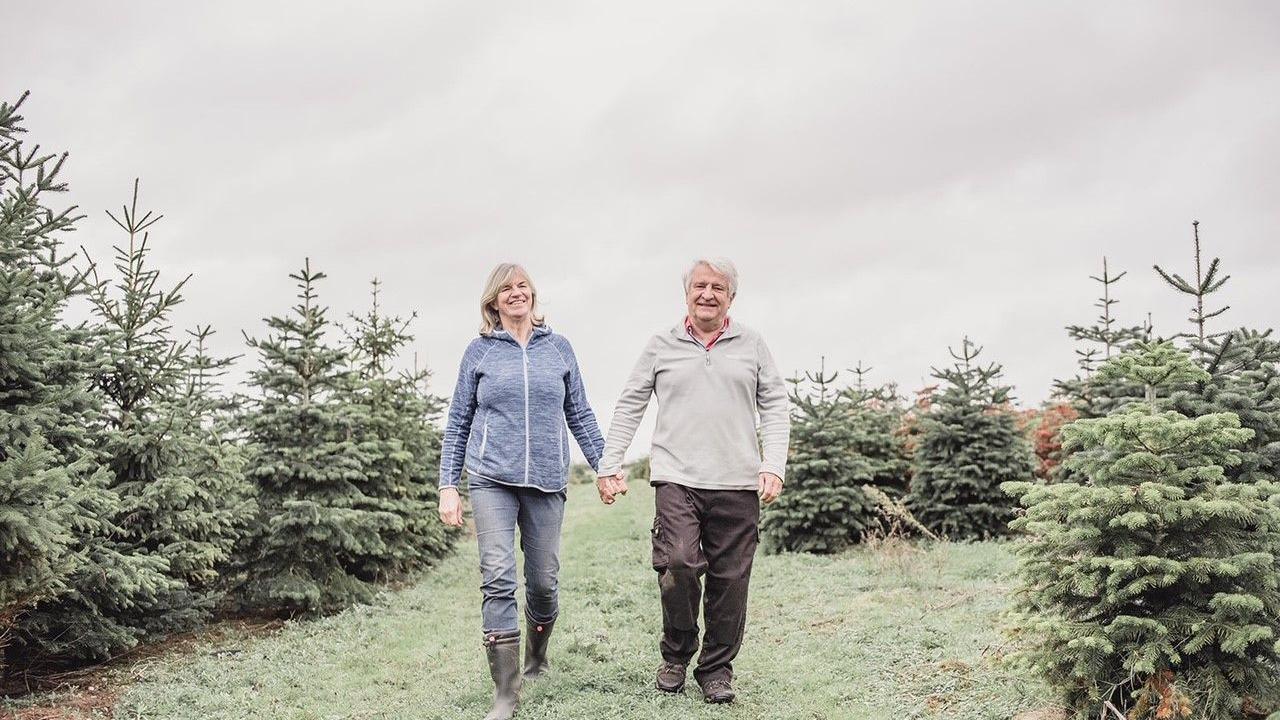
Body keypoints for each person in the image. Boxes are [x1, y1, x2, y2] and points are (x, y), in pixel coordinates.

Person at [595, 257, 790, 704]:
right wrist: (610, 464)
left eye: (717, 287)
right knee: (678, 562)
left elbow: (776, 405)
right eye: (700, 286)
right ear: (686, 294)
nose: (708, 293)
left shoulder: (752, 343)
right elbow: (630, 404)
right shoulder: (661, 344)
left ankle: (717, 669)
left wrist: (772, 464)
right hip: (677, 477)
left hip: (738, 482)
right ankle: (677, 653)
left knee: (730, 580)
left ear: (731, 297)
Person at [437, 262, 607, 720]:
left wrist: (605, 467)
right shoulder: (480, 353)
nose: (516, 293)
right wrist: (448, 485)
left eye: (522, 286)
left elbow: (582, 414)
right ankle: (506, 694)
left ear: (533, 294)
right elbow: (458, 423)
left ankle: (537, 655)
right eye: (506, 289)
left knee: (544, 583)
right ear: (493, 301)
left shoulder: (560, 349)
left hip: (548, 479)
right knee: (497, 577)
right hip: (491, 477)